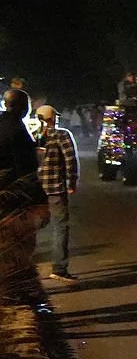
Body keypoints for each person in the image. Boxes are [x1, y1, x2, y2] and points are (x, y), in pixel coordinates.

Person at [35, 106, 79, 280]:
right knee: (60, 226)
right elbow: (70, 159)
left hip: (37, 189)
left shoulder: (35, 137)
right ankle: (59, 268)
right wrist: (72, 181)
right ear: (53, 118)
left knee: (34, 226)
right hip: (55, 188)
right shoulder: (62, 134)